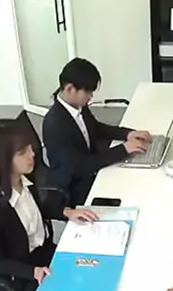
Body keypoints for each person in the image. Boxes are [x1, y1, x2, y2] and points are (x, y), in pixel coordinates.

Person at [0, 119, 99, 291]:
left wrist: (67, 212)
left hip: (45, 254)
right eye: (22, 152)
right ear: (2, 160)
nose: (32, 154)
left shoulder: (23, 180)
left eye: (29, 147)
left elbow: (36, 208)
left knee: (95, 266)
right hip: (23, 275)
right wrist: (33, 271)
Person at [43, 58, 152, 205]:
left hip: (91, 165)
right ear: (69, 89)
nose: (91, 97)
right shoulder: (54, 125)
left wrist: (127, 134)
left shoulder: (77, 105)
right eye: (87, 92)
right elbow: (80, 166)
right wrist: (124, 149)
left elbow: (96, 128)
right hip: (75, 186)